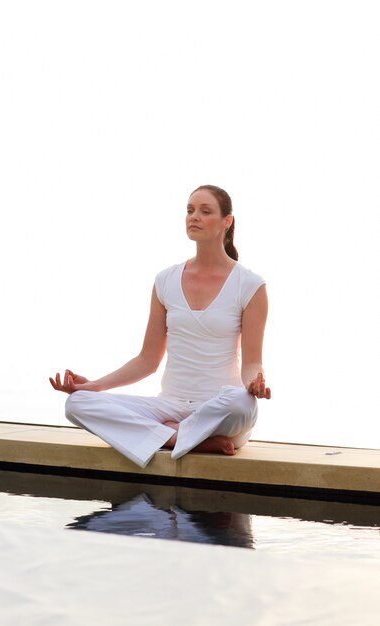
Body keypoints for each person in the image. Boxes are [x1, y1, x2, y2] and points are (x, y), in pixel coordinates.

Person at [50, 184, 271, 468]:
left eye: (205, 211)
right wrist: (94, 386)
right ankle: (180, 438)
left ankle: (170, 434)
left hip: (217, 410)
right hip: (169, 405)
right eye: (190, 210)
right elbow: (147, 360)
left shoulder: (250, 285)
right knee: (77, 404)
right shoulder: (165, 280)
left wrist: (255, 383)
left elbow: (252, 362)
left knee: (243, 404)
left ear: (227, 222)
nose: (194, 217)